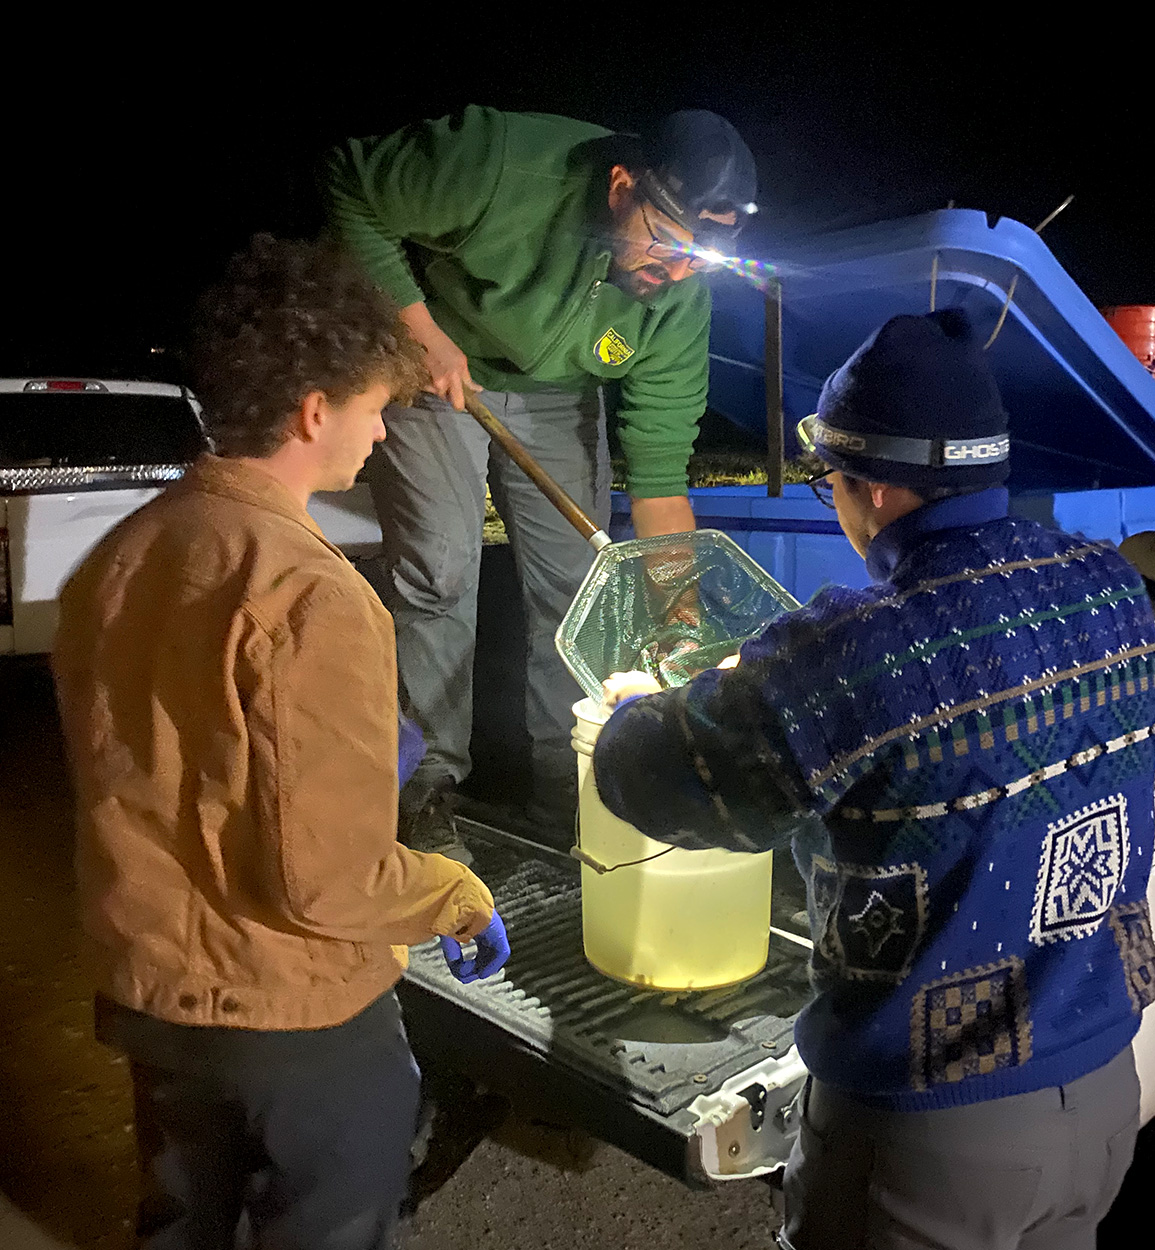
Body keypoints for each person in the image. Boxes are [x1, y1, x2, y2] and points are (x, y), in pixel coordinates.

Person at [593, 308, 1155, 1249]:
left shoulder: (857, 651)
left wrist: (655, 701)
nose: (838, 510)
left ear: (877, 489)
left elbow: (647, 782)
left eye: (830, 488)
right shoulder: (1112, 586)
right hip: (1103, 1089)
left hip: (929, 1131)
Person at [51, 235, 510, 1249]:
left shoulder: (118, 557)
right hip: (293, 1019)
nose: (384, 433)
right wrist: (449, 891)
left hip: (155, 993)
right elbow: (327, 881)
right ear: (314, 410)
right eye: (374, 407)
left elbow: (151, 760)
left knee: (182, 1217)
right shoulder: (310, 591)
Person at [323, 104, 758, 852]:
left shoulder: (677, 298)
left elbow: (658, 478)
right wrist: (415, 327)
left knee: (579, 585)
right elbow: (352, 186)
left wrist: (678, 618)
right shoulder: (499, 164)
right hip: (437, 368)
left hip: (560, 391)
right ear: (622, 186)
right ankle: (425, 789)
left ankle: (570, 786)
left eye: (699, 261)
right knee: (439, 571)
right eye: (667, 244)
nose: (676, 273)